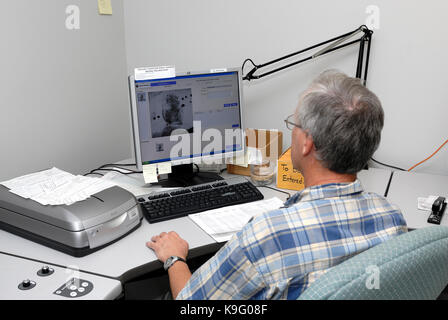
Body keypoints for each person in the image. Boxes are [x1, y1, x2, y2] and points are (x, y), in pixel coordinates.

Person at [146, 70, 408, 300]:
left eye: (294, 124)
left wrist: (174, 258)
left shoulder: (267, 235)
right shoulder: (392, 217)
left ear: (307, 143)